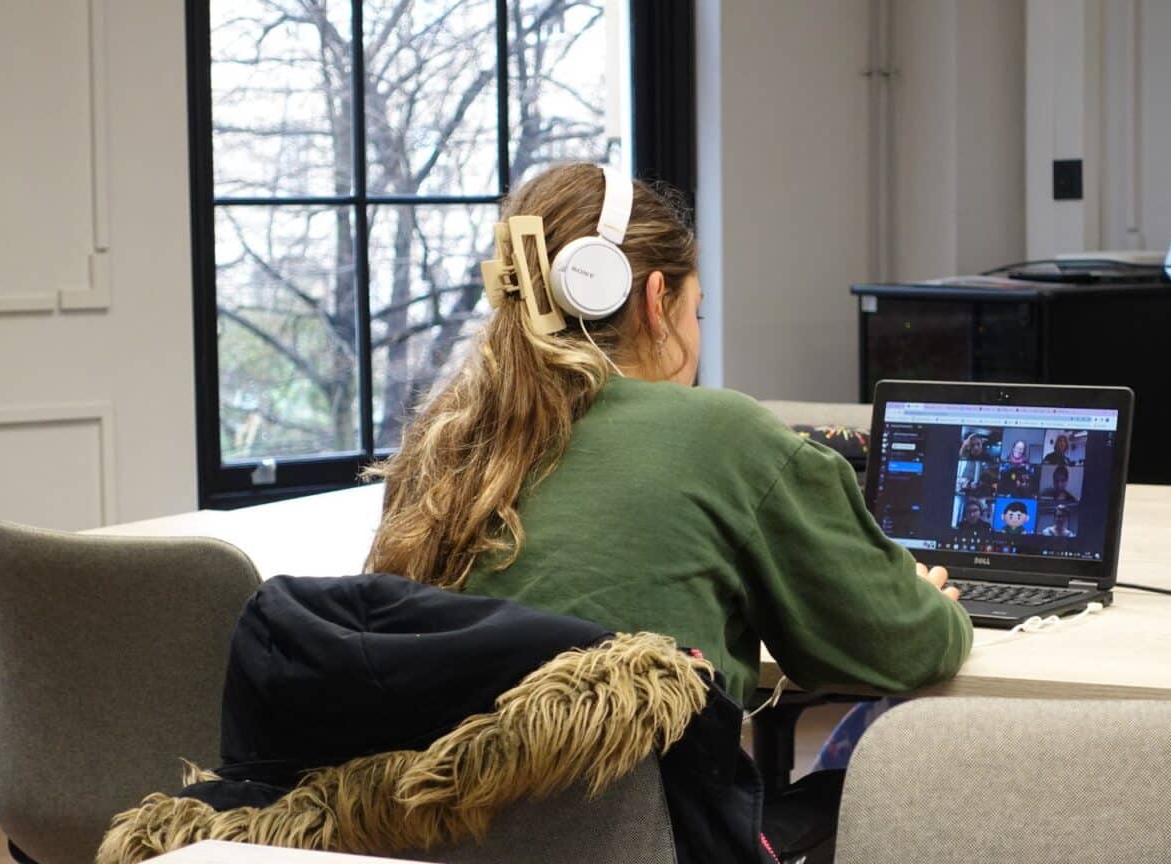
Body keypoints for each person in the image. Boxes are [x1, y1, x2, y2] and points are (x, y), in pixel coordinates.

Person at [364, 163, 971, 862]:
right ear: (656, 301)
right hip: (659, 844)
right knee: (876, 761)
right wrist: (919, 601)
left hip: (445, 846)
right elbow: (906, 649)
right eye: (697, 310)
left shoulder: (440, 448)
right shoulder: (722, 435)